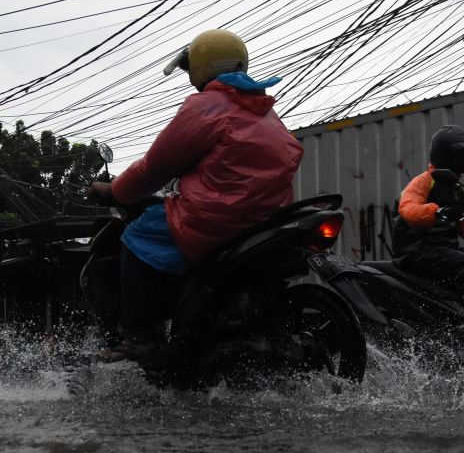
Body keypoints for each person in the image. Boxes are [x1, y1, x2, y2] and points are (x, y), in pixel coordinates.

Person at [87, 29, 303, 359]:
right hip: (264, 218)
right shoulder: (264, 110)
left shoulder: (206, 106)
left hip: (216, 218)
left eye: (190, 69)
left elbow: (154, 168)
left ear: (202, 66)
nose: (189, 77)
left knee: (135, 234)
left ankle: (139, 336)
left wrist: (115, 190)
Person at [392, 125, 464, 325]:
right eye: (461, 155)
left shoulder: (459, 191)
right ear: (445, 155)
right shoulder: (424, 181)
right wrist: (436, 210)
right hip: (416, 250)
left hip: (444, 250)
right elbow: (409, 210)